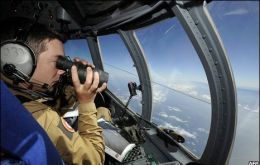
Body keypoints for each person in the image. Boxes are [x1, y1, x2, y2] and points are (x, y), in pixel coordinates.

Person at [0, 17, 110, 165]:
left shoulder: (11, 94)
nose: (61, 71)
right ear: (18, 63)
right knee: (103, 112)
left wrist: (73, 81)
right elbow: (94, 159)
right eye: (57, 62)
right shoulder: (40, 117)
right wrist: (87, 103)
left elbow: (52, 106)